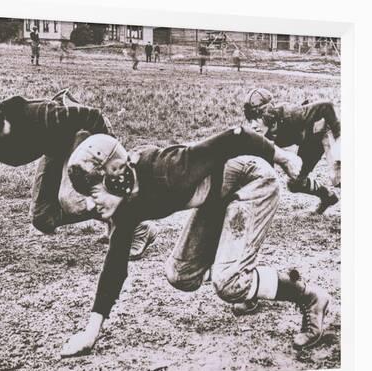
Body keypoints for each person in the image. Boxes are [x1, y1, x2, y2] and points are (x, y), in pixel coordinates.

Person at [60, 128, 330, 357]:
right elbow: (114, 267)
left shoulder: (166, 168)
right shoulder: (125, 206)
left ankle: (308, 296)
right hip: (218, 196)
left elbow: (235, 136)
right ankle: (247, 282)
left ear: (115, 175)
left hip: (252, 181)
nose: (90, 203)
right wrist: (90, 333)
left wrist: (281, 157)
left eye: (93, 192)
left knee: (228, 282)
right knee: (181, 275)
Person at [0, 80, 158, 276]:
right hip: (56, 147)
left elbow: (92, 116)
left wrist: (109, 166)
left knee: (71, 200)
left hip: (86, 133)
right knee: (42, 218)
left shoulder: (39, 114)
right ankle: (114, 219)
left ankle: (136, 223)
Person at [243, 88, 340, 214]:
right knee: (295, 183)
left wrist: (340, 142)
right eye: (250, 120)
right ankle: (327, 197)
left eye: (257, 118)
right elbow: (267, 172)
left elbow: (327, 107)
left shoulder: (290, 114)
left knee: (338, 177)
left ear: (268, 114)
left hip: (325, 127)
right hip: (310, 142)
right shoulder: (262, 135)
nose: (253, 125)